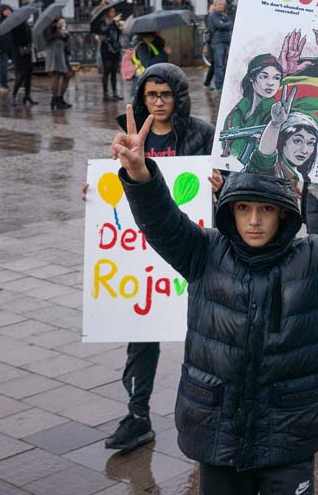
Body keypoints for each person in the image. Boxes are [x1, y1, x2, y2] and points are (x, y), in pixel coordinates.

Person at [112, 109, 318, 493]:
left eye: (266, 209)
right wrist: (140, 175)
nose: (254, 221)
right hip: (218, 431)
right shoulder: (204, 251)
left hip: (288, 434)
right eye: (243, 208)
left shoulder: (314, 258)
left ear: (284, 214)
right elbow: (162, 222)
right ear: (230, 212)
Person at [101, 63, 218, 454]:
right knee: (142, 337)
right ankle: (137, 415)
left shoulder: (202, 135)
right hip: (143, 258)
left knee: (204, 339)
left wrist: (221, 185)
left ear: (179, 97)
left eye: (166, 94)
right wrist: (97, 187)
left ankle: (208, 416)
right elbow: (114, 185)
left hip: (190, 249)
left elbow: (225, 187)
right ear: (141, 97)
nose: (158, 102)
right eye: (151, 95)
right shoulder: (132, 135)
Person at [219, 54, 284, 165]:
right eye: (264, 76)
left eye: (276, 78)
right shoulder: (235, 114)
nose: (270, 83)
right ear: (251, 77)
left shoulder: (277, 116)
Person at [43, 17, 73, 110]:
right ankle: (55, 99)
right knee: (57, 75)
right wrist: (56, 27)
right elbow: (49, 37)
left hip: (63, 51)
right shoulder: (48, 25)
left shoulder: (61, 24)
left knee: (67, 75)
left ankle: (59, 98)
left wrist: (66, 34)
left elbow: (64, 37)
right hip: (55, 52)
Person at [206, 0, 233, 91]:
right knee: (219, 66)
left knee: (222, 65)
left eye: (223, 4)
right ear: (215, 5)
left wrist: (226, 25)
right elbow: (220, 25)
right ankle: (219, 86)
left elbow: (227, 26)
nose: (221, 6)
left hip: (226, 41)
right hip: (218, 43)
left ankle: (209, 82)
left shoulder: (224, 15)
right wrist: (228, 24)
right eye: (219, 4)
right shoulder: (213, 15)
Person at [9, 16, 36, 107]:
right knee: (22, 73)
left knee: (29, 73)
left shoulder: (26, 24)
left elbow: (29, 37)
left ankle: (27, 95)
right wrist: (25, 40)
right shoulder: (15, 26)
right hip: (19, 53)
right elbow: (16, 39)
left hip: (27, 52)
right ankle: (13, 94)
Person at [98, 9, 124, 101]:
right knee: (107, 71)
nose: (113, 13)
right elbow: (103, 31)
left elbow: (119, 34)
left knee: (114, 71)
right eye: (111, 12)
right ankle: (106, 94)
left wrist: (119, 25)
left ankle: (115, 92)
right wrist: (112, 22)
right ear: (107, 13)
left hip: (115, 49)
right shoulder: (103, 22)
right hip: (106, 48)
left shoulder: (115, 22)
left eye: (114, 11)